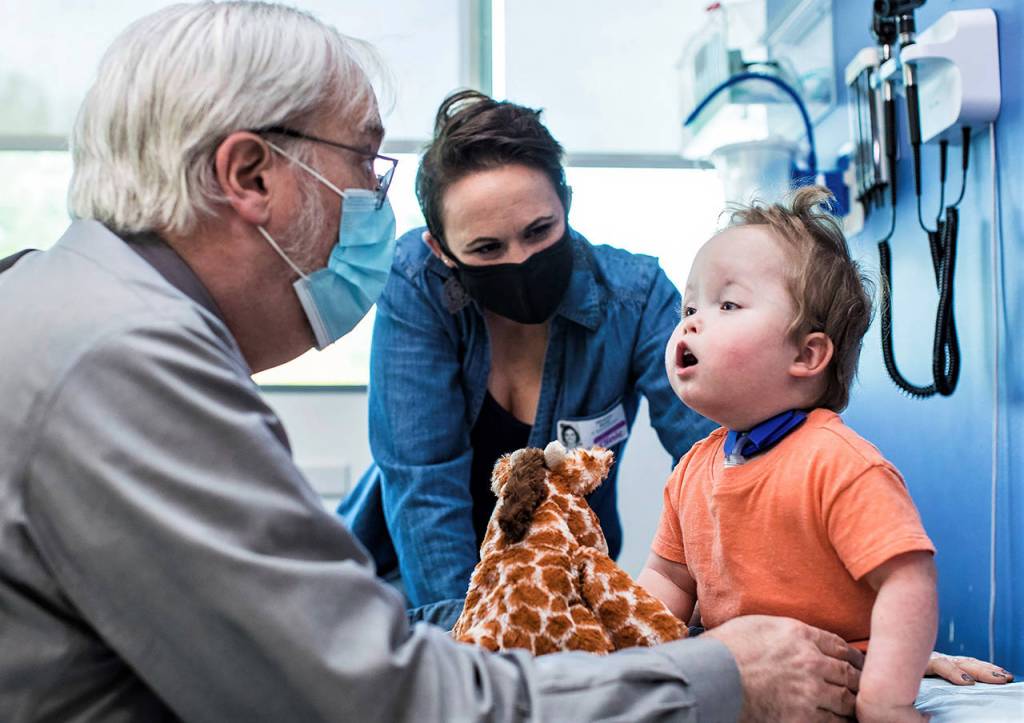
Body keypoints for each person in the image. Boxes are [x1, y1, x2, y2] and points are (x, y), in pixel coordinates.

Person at [0, 3, 873, 721]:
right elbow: (382, 692)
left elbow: (734, 458)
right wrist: (720, 676)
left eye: (540, 230)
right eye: (361, 163)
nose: (372, 200)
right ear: (251, 175)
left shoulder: (82, 315)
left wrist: (833, 616)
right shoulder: (125, 366)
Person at [636, 187, 1014, 722]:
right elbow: (668, 583)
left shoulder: (836, 462)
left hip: (831, 690)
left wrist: (886, 697)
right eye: (690, 306)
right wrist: (631, 661)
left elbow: (908, 581)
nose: (691, 322)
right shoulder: (693, 468)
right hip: (744, 691)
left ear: (807, 353)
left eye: (727, 304)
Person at [340, 90, 715, 619]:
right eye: (487, 248)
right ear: (441, 250)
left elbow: (713, 457)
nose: (521, 261)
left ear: (566, 202)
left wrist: (720, 603)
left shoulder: (637, 296)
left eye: (539, 231)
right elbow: (424, 487)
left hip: (563, 587)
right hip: (417, 589)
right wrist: (469, 649)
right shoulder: (415, 282)